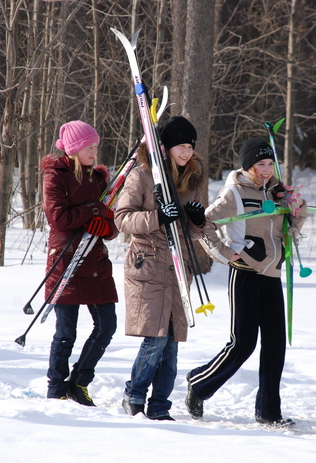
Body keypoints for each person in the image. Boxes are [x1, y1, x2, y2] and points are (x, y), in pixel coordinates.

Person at [185, 137, 308, 427]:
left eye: (270, 164)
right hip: (245, 272)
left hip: (272, 274)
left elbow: (291, 229)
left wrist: (296, 209)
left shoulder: (278, 191)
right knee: (243, 344)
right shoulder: (234, 192)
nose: (266, 169)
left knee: (275, 345)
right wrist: (226, 254)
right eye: (260, 164)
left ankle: (268, 411)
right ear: (248, 166)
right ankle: (199, 385)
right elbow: (202, 225)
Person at [114, 116, 206, 421]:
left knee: (172, 344)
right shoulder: (142, 175)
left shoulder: (192, 179)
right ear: (165, 148)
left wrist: (197, 220)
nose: (187, 152)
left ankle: (159, 406)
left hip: (178, 268)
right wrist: (158, 217)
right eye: (181, 146)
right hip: (148, 266)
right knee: (155, 338)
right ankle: (134, 395)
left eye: (190, 146)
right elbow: (122, 219)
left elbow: (195, 233)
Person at [41, 120, 119, 405]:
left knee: (106, 326)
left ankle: (79, 382)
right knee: (65, 333)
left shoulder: (98, 179)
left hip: (95, 263)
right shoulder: (56, 176)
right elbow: (59, 219)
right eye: (89, 147)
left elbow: (112, 222)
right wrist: (93, 209)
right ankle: (56, 388)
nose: (94, 152)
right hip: (66, 261)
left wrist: (106, 227)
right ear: (74, 149)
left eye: (96, 146)